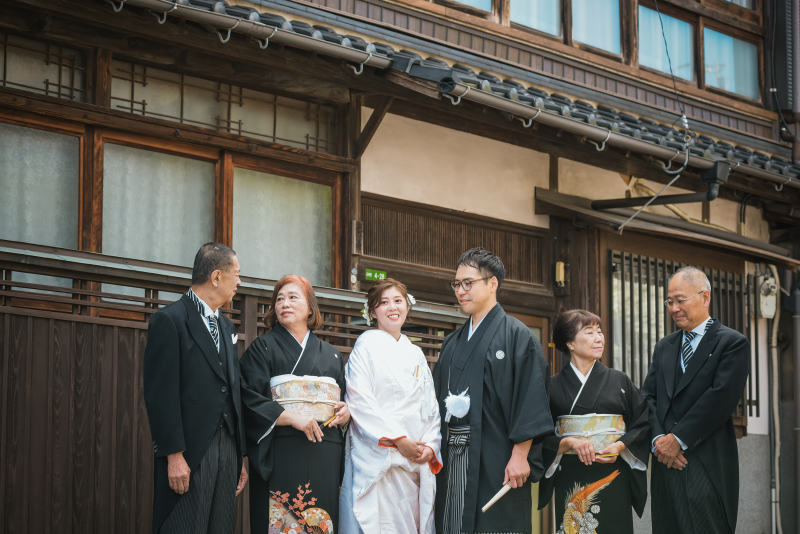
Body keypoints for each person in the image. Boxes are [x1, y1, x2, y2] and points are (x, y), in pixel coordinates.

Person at [433, 247, 552, 534]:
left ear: (492, 283)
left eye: (468, 283)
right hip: (452, 456)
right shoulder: (451, 342)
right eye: (457, 284)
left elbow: (531, 398)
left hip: (498, 454)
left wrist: (521, 455)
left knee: (496, 523)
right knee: (452, 521)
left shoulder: (517, 335)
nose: (461, 291)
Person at [143, 242, 248, 534]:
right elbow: (160, 394)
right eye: (236, 274)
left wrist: (238, 455)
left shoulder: (226, 327)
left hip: (227, 449)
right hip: (189, 451)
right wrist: (173, 455)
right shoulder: (170, 320)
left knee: (220, 526)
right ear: (216, 277)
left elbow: (232, 391)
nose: (240, 282)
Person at [642, 266, 750, 534]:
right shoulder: (664, 346)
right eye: (670, 301)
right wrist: (658, 442)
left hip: (705, 459)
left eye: (681, 300)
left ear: (705, 297)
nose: (674, 308)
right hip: (665, 462)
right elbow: (648, 397)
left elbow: (721, 399)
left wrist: (677, 439)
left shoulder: (731, 343)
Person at [239, 274, 350, 534]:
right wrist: (290, 417)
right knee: (279, 520)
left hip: (324, 448)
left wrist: (346, 411)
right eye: (279, 299)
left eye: (292, 297)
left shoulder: (332, 354)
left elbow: (343, 398)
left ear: (310, 308)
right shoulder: (262, 348)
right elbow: (247, 398)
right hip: (280, 447)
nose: (284, 303)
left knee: (320, 520)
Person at [340, 278, 443, 534]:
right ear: (373, 311)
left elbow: (431, 406)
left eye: (398, 301)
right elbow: (359, 400)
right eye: (383, 303)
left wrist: (430, 445)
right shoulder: (364, 347)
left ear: (407, 306)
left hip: (415, 462)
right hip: (382, 459)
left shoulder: (416, 353)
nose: (392, 307)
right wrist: (397, 440)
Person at [538, 310, 649, 534]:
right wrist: (569, 443)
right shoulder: (552, 386)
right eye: (589, 333)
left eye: (600, 332)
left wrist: (619, 445)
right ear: (569, 342)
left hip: (613, 471)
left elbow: (643, 421)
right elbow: (539, 435)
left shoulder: (620, 380)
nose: (599, 338)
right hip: (570, 472)